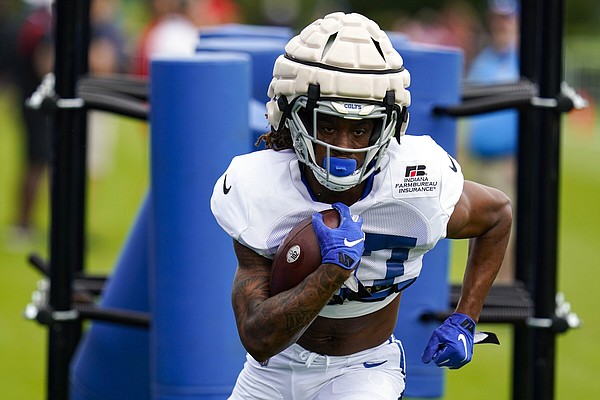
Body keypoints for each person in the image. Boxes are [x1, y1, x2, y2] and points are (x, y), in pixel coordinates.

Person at [210, 12, 512, 399]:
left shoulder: (417, 179)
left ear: (388, 126)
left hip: (364, 370)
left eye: (359, 129)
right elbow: (259, 338)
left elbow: (497, 215)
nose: (344, 147)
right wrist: (332, 272)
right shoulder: (260, 187)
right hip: (272, 370)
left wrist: (465, 318)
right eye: (328, 125)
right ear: (292, 117)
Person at [464, 0, 519, 282]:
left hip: (507, 165)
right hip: (481, 165)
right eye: (497, 18)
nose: (501, 24)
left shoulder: (523, 61)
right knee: (478, 238)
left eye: (507, 18)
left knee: (501, 241)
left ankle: (502, 303)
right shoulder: (485, 60)